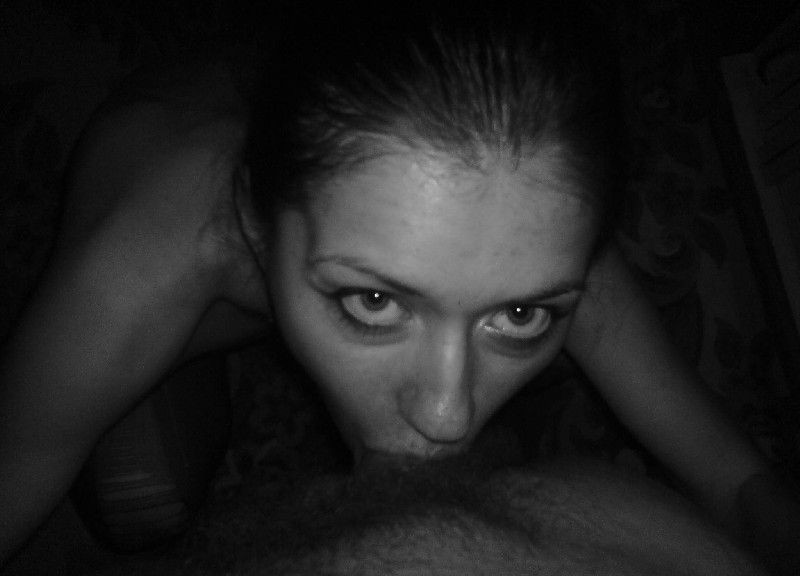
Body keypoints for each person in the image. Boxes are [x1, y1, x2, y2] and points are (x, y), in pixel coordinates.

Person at [0, 0, 798, 572]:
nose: (448, 416)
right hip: (183, 189)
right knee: (141, 489)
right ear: (257, 219)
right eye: (373, 301)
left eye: (519, 316)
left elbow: (738, 484)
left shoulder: (522, 224)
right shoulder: (141, 252)